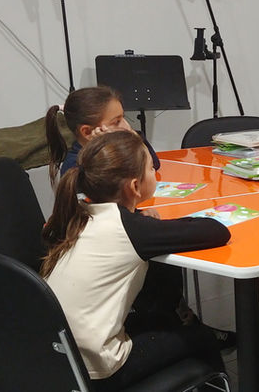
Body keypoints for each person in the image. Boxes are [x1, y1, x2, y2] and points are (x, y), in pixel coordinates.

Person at [41, 131, 229, 390]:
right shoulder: (132, 230)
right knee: (203, 336)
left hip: (60, 358)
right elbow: (216, 231)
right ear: (134, 187)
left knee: (163, 321)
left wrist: (141, 218)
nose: (155, 174)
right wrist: (148, 223)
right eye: (151, 169)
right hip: (99, 371)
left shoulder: (79, 214)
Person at [44, 86, 160, 184]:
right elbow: (120, 184)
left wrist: (134, 137)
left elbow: (153, 164)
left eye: (123, 117)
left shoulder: (116, 146)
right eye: (116, 122)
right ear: (87, 132)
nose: (126, 126)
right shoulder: (75, 166)